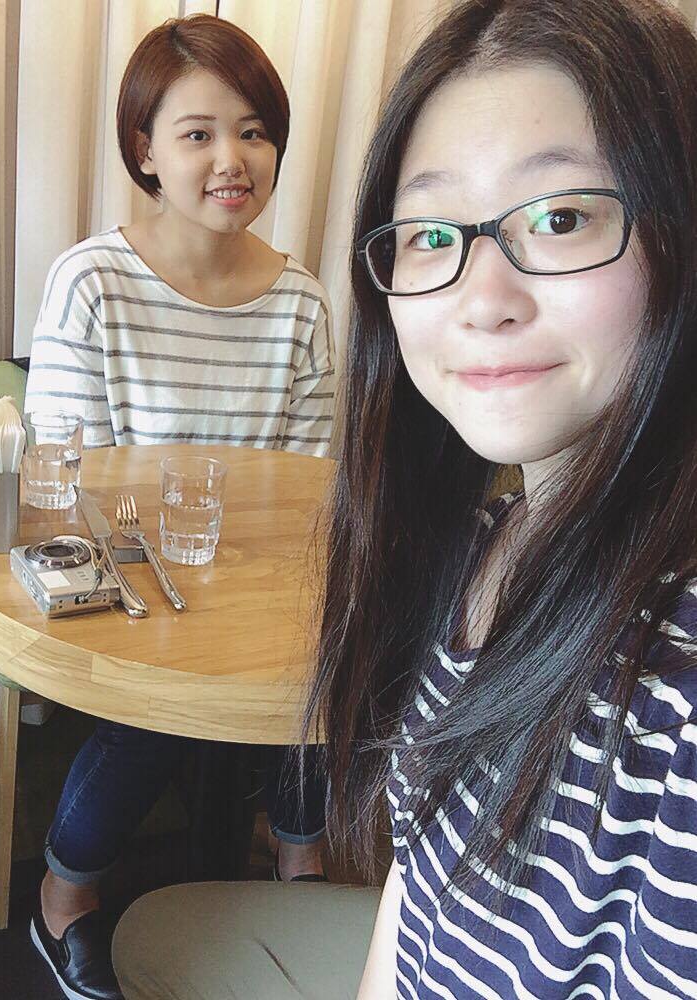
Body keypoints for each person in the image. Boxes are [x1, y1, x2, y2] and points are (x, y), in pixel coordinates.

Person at [110, 0, 697, 997]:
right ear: (145, 151)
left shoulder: (672, 685)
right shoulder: (476, 541)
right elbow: (417, 879)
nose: (481, 297)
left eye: (561, 218)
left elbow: (303, 462)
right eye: (430, 233)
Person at [25, 14, 334, 1000]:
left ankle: (300, 862)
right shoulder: (92, 283)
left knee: (322, 673)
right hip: (127, 584)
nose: (232, 159)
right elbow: (63, 475)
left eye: (253, 131)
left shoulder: (302, 302)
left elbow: (313, 481)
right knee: (155, 714)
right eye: (198, 133)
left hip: (258, 586)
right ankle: (65, 894)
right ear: (145, 150)